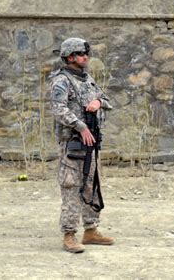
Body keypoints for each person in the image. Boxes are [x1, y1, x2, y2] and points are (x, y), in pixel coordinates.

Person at [49, 37, 114, 253]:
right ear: (69, 57)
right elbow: (58, 109)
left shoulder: (88, 79)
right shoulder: (61, 81)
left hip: (90, 143)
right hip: (72, 144)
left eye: (86, 53)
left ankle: (91, 230)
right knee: (70, 186)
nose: (85, 57)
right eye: (80, 53)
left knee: (91, 185)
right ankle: (69, 234)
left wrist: (98, 102)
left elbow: (106, 100)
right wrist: (80, 127)